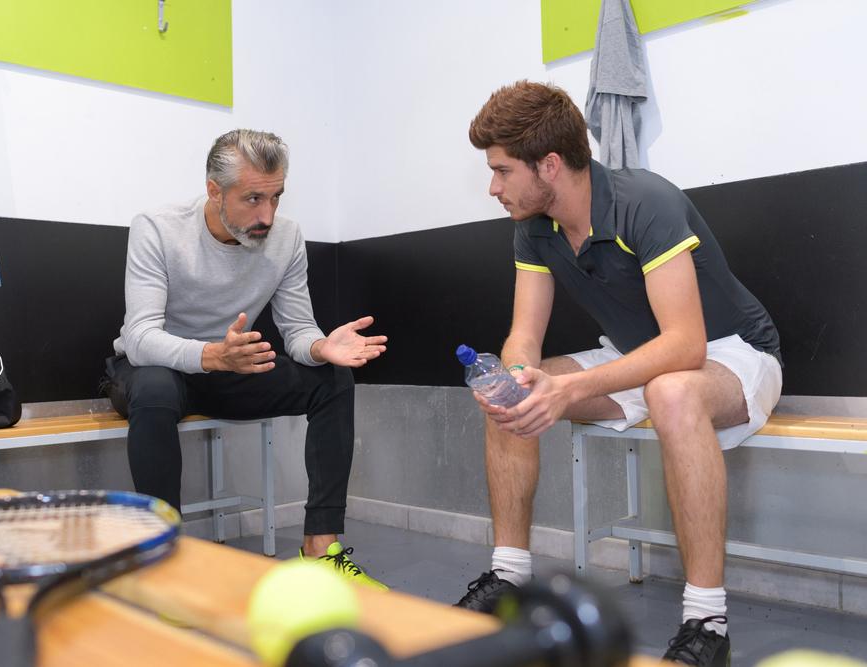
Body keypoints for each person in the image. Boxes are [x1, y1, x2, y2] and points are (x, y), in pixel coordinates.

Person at [455, 81, 782, 667]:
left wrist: (572, 388)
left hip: (733, 355)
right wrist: (518, 376)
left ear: (548, 165)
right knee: (509, 390)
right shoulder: (533, 226)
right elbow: (523, 336)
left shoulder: (645, 202)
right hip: (639, 355)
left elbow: (686, 344)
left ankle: (707, 621)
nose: (494, 186)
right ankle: (508, 579)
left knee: (673, 391)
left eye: (503, 171)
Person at [105, 129, 388, 589]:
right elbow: (139, 337)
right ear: (214, 191)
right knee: (155, 388)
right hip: (158, 368)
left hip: (231, 367)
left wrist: (321, 348)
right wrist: (211, 356)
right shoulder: (156, 227)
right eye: (253, 198)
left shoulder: (287, 237)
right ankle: (163, 563)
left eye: (276, 198)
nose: (267, 215)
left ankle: (320, 548)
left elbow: (297, 330)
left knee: (333, 379)